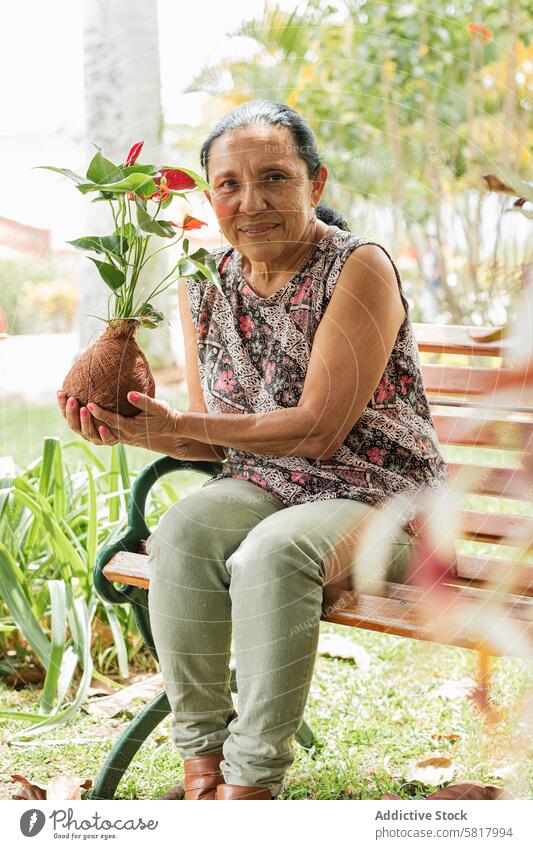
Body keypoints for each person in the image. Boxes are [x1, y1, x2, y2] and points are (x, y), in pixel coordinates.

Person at [57, 99, 448, 801]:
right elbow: (210, 428)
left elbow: (317, 430)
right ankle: (201, 765)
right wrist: (139, 427)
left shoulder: (357, 266)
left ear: (315, 184)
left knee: (274, 551)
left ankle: (250, 784)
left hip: (377, 494)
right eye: (229, 184)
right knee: (178, 531)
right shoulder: (204, 279)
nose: (250, 202)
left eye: (274, 178)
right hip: (266, 482)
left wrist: (184, 425)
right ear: (211, 196)